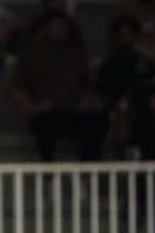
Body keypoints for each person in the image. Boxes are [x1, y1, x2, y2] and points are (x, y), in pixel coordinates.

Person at [10, 11, 107, 162]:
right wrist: (32, 107)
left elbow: (89, 84)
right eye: (54, 26)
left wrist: (85, 102)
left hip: (73, 109)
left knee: (97, 121)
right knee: (46, 124)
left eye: (62, 26)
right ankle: (48, 175)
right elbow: (16, 86)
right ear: (46, 29)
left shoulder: (77, 52)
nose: (58, 29)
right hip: (45, 110)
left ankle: (87, 174)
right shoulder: (32, 53)